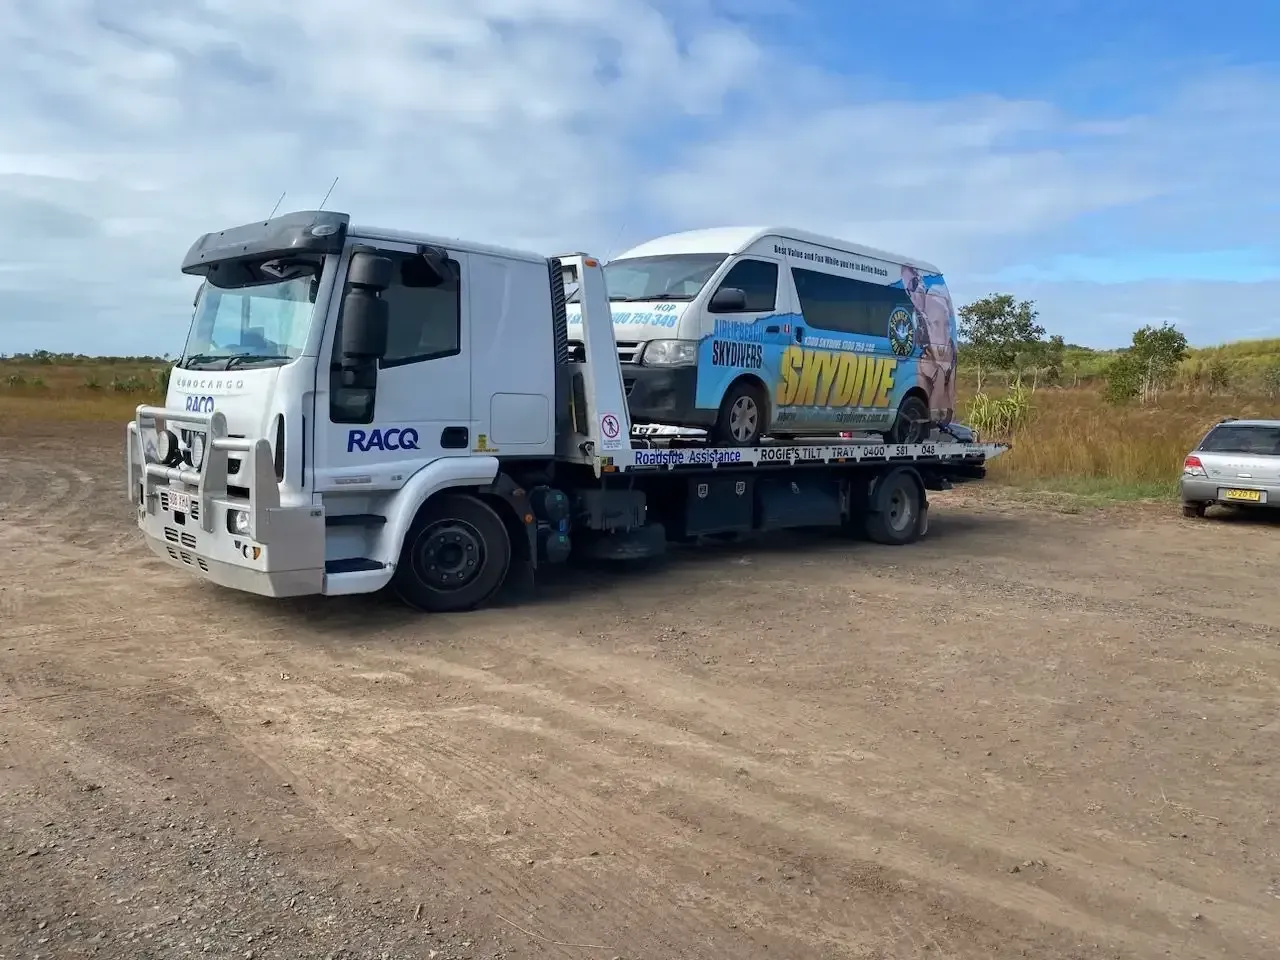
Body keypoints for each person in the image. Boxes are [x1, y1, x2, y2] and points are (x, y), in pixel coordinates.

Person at [901, 265, 956, 425]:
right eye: (935, 324)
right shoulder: (922, 359)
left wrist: (939, 381)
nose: (943, 333)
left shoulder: (950, 354)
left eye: (946, 324)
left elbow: (946, 411)